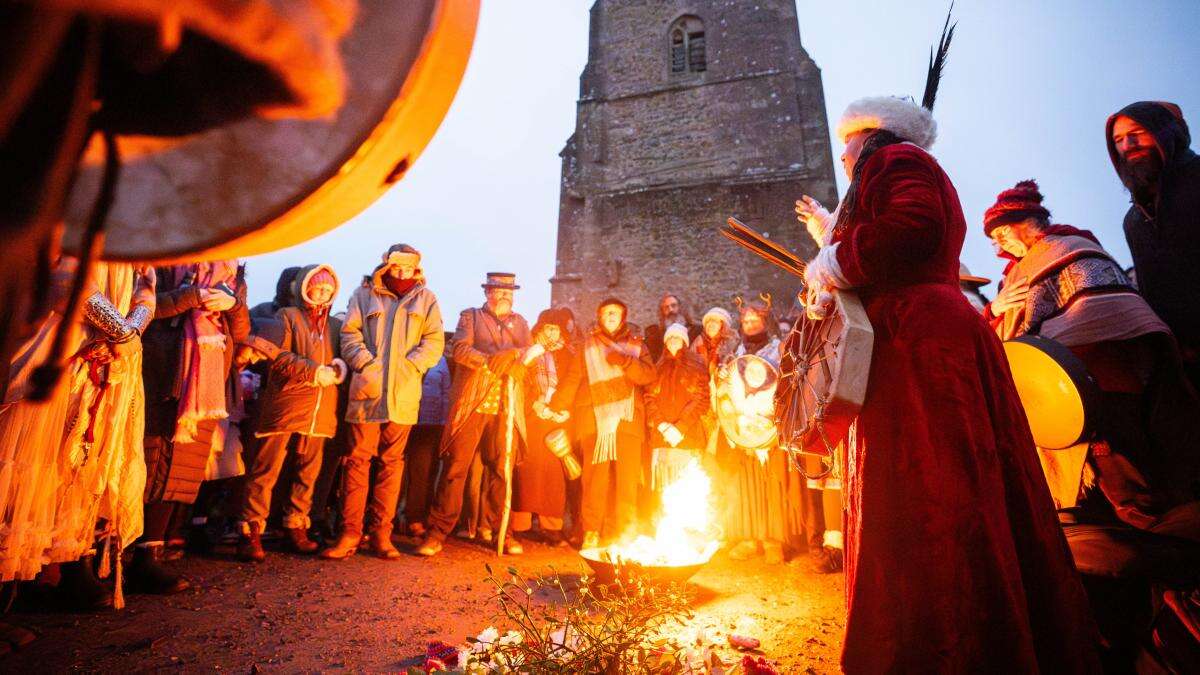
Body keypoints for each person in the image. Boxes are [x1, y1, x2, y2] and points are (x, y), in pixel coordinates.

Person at [796, 95, 1100, 671]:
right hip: (917, 336)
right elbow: (890, 244)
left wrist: (831, 262)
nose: (841, 156)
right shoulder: (889, 168)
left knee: (930, 491)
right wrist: (830, 249)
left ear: (871, 136)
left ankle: (944, 643)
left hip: (920, 345)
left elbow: (912, 231)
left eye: (847, 143)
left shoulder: (897, 161)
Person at [982, 179, 1200, 669]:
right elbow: (1017, 337)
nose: (998, 244)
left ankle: (1153, 608)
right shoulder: (1021, 271)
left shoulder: (1069, 249)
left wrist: (1056, 351)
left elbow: (1106, 315)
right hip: (1063, 398)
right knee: (1088, 513)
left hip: (1107, 386)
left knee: (1123, 489)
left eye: (1002, 232)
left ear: (1027, 225)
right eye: (993, 238)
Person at [0, 259, 153, 610]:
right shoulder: (84, 219)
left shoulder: (139, 238)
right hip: (59, 352)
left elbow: (147, 289)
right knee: (27, 467)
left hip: (104, 360)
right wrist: (121, 331)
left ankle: (42, 577)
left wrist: (130, 331)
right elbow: (66, 281)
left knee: (73, 471)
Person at [323, 245, 443, 560]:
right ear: (386, 265)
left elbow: (434, 341)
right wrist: (365, 363)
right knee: (357, 461)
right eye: (397, 266)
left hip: (403, 395)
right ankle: (350, 532)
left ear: (417, 268)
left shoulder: (427, 299)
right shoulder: (363, 296)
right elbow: (349, 335)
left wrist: (412, 366)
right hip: (367, 392)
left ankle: (380, 533)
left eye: (408, 267)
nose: (402, 272)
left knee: (392, 464)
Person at [138, 260, 249, 594]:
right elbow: (142, 309)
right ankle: (117, 552)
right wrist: (191, 295)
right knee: (149, 462)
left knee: (180, 471)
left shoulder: (233, 273)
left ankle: (150, 555)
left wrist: (234, 304)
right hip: (163, 374)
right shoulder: (163, 257)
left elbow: (241, 332)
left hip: (208, 381)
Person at [417, 273, 530, 556]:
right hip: (473, 402)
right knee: (457, 467)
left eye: (508, 291)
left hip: (506, 405)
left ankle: (503, 532)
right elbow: (460, 349)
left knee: (501, 470)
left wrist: (516, 358)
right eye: (498, 290)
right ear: (488, 292)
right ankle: (437, 532)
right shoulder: (470, 317)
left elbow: (529, 352)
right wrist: (491, 361)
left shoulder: (521, 323)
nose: (504, 295)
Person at [237, 265, 344, 562]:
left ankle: (296, 525)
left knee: (307, 471)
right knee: (266, 468)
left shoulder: (335, 326)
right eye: (316, 288)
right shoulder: (287, 317)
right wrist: (312, 371)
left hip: (320, 408)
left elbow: (342, 356)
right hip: (287, 401)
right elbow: (278, 355)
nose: (321, 294)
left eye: (327, 290)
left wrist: (339, 368)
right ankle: (251, 529)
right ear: (303, 289)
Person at [547, 298, 656, 550]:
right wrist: (555, 406)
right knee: (595, 480)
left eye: (616, 312)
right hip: (594, 419)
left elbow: (649, 375)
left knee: (627, 480)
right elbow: (574, 378)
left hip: (628, 421)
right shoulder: (587, 346)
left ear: (623, 317)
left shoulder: (636, 346)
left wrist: (626, 361)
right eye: (606, 312)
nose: (611, 316)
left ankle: (624, 532)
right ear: (599, 316)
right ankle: (592, 531)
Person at [1107, 102, 1200, 389]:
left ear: (1166, 132)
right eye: (1119, 140)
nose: (1129, 145)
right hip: (1185, 364)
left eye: (1138, 132)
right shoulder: (1133, 220)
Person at [512, 309, 574, 545]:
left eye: (556, 328)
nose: (552, 332)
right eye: (548, 327)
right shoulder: (529, 352)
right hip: (531, 416)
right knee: (527, 470)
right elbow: (519, 381)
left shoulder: (565, 355)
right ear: (539, 329)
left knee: (553, 475)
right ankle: (520, 524)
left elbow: (571, 382)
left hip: (555, 419)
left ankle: (552, 527)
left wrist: (562, 409)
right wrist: (534, 404)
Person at [645, 322, 709, 500]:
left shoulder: (697, 365)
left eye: (677, 337)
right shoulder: (657, 368)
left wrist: (680, 427)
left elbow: (702, 399)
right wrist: (663, 426)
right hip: (662, 437)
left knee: (688, 486)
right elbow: (649, 398)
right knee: (664, 487)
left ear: (684, 341)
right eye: (670, 337)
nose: (673, 340)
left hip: (689, 436)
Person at [402, 346, 451, 538]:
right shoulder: (408, 350)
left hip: (431, 424)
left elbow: (446, 393)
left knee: (426, 472)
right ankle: (404, 517)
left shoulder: (441, 360)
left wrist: (444, 423)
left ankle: (418, 517)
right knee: (407, 470)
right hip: (407, 418)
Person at [643, 294, 700, 362]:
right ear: (662, 312)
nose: (670, 310)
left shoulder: (696, 331)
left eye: (673, 305)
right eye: (666, 307)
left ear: (680, 307)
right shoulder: (656, 336)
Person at [691, 307, 738, 380]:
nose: (710, 324)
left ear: (723, 326)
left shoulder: (731, 344)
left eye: (715, 321)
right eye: (708, 321)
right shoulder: (698, 342)